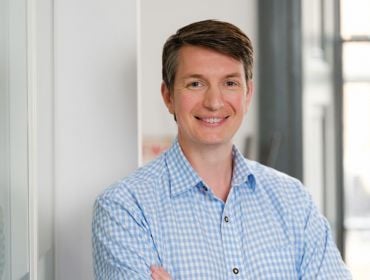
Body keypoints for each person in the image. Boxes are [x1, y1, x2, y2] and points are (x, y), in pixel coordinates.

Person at [92, 19, 351, 279]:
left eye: (230, 83)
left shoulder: (293, 200)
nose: (214, 103)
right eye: (196, 84)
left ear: (248, 94)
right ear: (168, 96)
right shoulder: (124, 209)